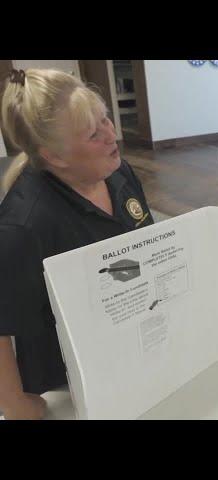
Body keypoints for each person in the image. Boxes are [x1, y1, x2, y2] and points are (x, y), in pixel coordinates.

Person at [0, 69, 154, 419]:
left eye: (106, 119)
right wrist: (14, 404)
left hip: (128, 344)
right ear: (54, 156)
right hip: (68, 378)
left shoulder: (118, 172)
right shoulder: (23, 225)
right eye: (93, 133)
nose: (111, 135)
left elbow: (144, 248)